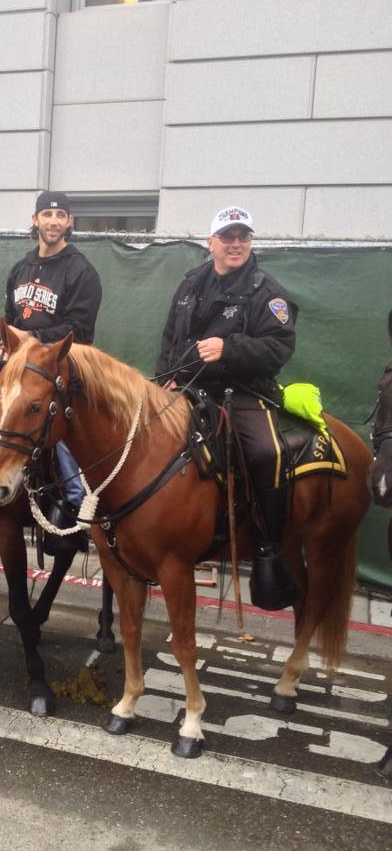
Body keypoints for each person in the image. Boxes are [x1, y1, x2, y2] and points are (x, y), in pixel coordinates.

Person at [156, 205, 298, 611]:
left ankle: (270, 549)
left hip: (243, 392)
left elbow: (279, 347)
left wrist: (228, 349)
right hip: (187, 388)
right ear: (211, 243)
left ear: (250, 242)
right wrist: (166, 376)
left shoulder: (266, 291)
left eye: (243, 237)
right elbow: (169, 338)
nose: (236, 244)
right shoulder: (189, 285)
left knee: (267, 451)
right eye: (228, 237)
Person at [1, 191, 102, 526]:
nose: (54, 221)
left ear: (69, 222)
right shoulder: (19, 268)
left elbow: (80, 330)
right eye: (47, 214)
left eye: (60, 215)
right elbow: (9, 319)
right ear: (35, 220)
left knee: (62, 429)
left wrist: (34, 339)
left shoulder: (81, 271)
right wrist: (0, 343)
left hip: (62, 365)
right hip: (18, 363)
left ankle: (75, 504)